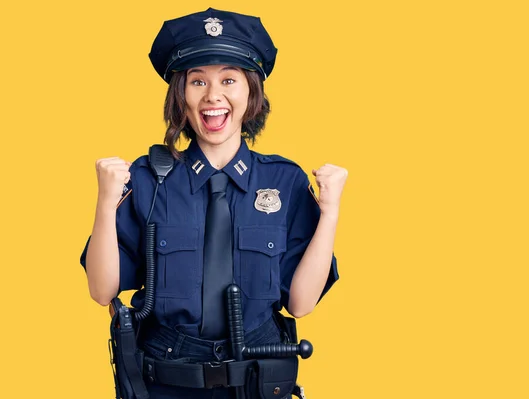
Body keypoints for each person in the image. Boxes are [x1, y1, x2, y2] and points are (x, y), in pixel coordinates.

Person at [80, 8, 348, 399]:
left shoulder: (284, 181)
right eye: (197, 81)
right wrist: (106, 203)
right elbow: (102, 291)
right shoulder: (146, 179)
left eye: (228, 80)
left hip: (255, 381)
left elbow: (302, 303)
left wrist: (331, 213)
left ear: (250, 91)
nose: (213, 96)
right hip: (165, 384)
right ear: (181, 96)